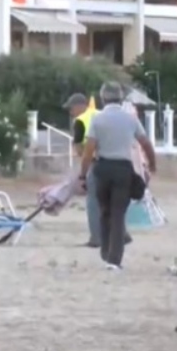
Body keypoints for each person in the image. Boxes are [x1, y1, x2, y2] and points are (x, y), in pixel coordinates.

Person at [78, 82, 156, 271]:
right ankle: (115, 259)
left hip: (103, 168)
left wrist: (83, 174)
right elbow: (146, 143)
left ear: (103, 98)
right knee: (118, 214)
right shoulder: (130, 119)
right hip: (123, 169)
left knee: (104, 211)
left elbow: (89, 150)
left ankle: (105, 252)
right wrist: (152, 164)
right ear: (121, 98)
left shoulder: (97, 119)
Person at [65, 93, 132, 249]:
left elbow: (81, 149)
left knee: (94, 202)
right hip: (117, 163)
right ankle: (122, 234)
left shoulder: (80, 121)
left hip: (97, 164)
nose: (70, 112)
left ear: (80, 106)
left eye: (71, 108)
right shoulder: (101, 114)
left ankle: (96, 238)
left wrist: (83, 172)